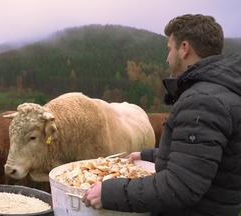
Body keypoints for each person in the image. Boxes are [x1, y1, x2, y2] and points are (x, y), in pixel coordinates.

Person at [82, 14, 241, 215]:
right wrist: (148, 155)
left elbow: (180, 186)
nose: (167, 58)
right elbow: (203, 156)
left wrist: (109, 193)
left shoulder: (202, 101)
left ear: (184, 49)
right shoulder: (223, 92)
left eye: (169, 49)